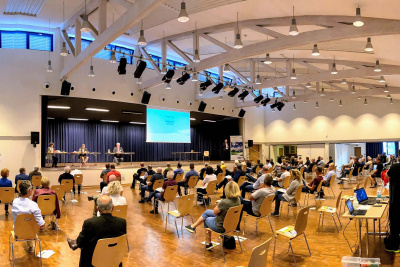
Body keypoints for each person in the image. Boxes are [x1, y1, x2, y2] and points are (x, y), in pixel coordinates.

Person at [67, 195, 127, 267]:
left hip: (93, 263)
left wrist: (77, 243)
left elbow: (80, 243)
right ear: (113, 207)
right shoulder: (122, 222)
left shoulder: (90, 223)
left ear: (98, 208)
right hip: (113, 260)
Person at [184, 181, 241, 251]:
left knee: (206, 219)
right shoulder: (238, 200)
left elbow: (215, 212)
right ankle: (193, 226)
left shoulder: (225, 202)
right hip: (232, 224)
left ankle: (208, 243)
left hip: (221, 226)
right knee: (207, 212)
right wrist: (221, 204)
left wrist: (218, 204)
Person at [12, 180, 45, 253]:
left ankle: (30, 246)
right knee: (30, 226)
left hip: (17, 232)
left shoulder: (14, 202)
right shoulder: (33, 205)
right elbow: (42, 225)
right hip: (31, 233)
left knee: (26, 225)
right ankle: (31, 245)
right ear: (29, 190)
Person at [384, 163, 400, 253]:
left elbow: (386, 176)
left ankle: (394, 246)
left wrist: (388, 170)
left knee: (394, 222)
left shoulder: (396, 166)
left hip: (396, 200)